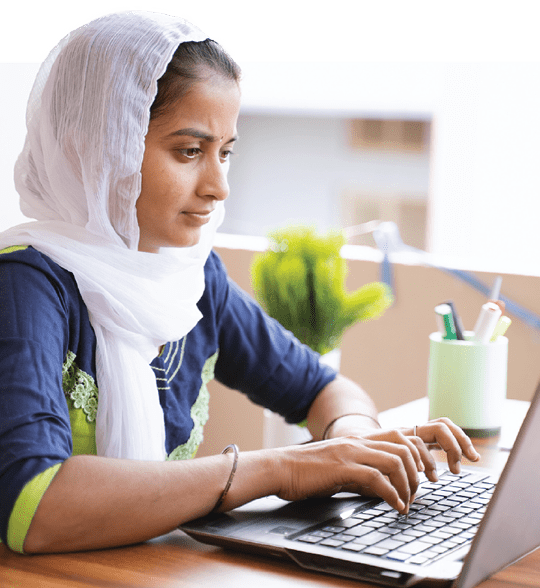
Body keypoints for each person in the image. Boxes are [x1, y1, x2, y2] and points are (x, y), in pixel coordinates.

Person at [0, 8, 479, 555]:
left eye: (225, 153)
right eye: (189, 151)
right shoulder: (26, 282)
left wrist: (354, 446)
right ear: (88, 148)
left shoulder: (192, 278)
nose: (219, 186)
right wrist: (282, 469)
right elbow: (34, 508)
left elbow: (325, 389)